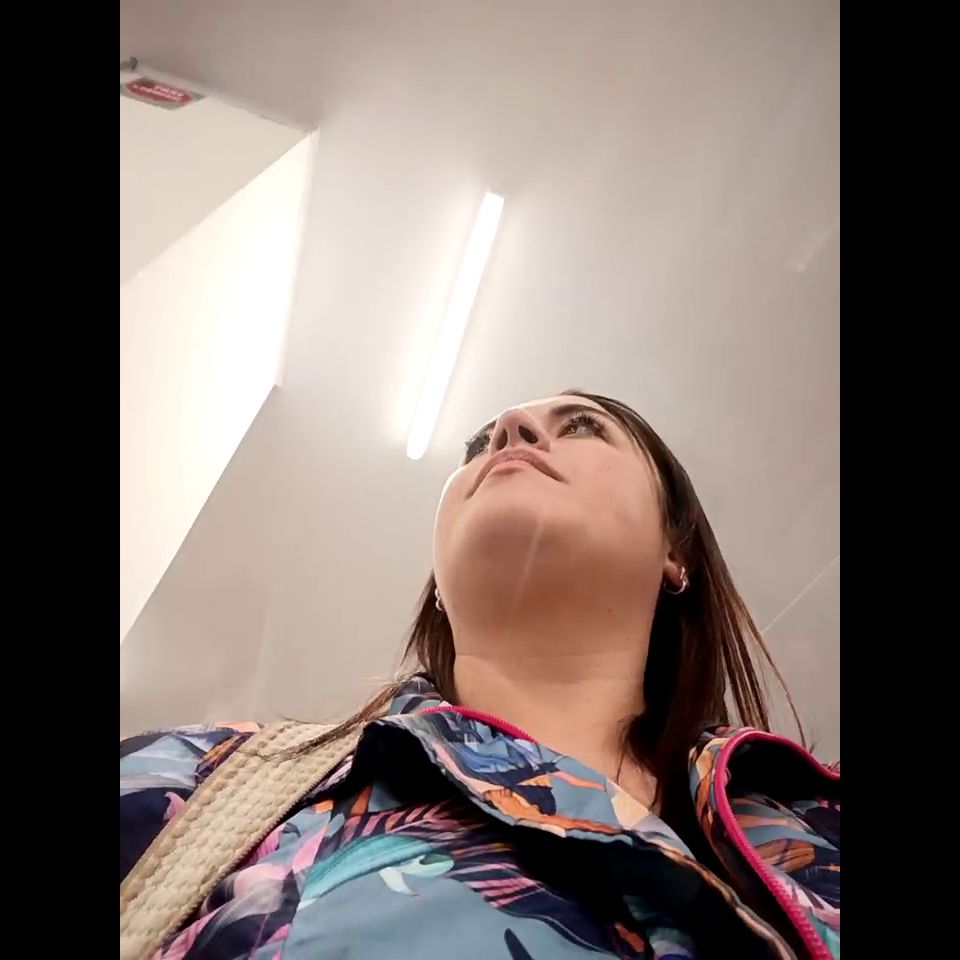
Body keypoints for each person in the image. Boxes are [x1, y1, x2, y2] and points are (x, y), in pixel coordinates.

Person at [120, 390, 840, 960]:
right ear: (438, 585)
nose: (511, 430)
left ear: (674, 554)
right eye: (478, 444)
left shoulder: (813, 828)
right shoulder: (194, 780)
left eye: (582, 426)